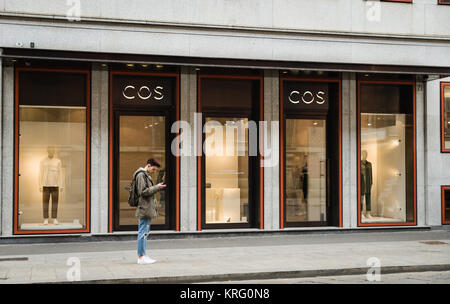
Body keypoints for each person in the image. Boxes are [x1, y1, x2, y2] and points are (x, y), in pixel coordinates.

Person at [134, 158, 166, 265]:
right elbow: (142, 192)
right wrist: (156, 187)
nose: (154, 172)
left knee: (145, 232)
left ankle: (144, 255)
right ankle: (141, 256)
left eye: (155, 170)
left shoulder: (145, 175)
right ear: (148, 165)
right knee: (142, 232)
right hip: (144, 208)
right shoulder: (141, 175)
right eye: (153, 169)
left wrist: (156, 187)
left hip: (147, 208)